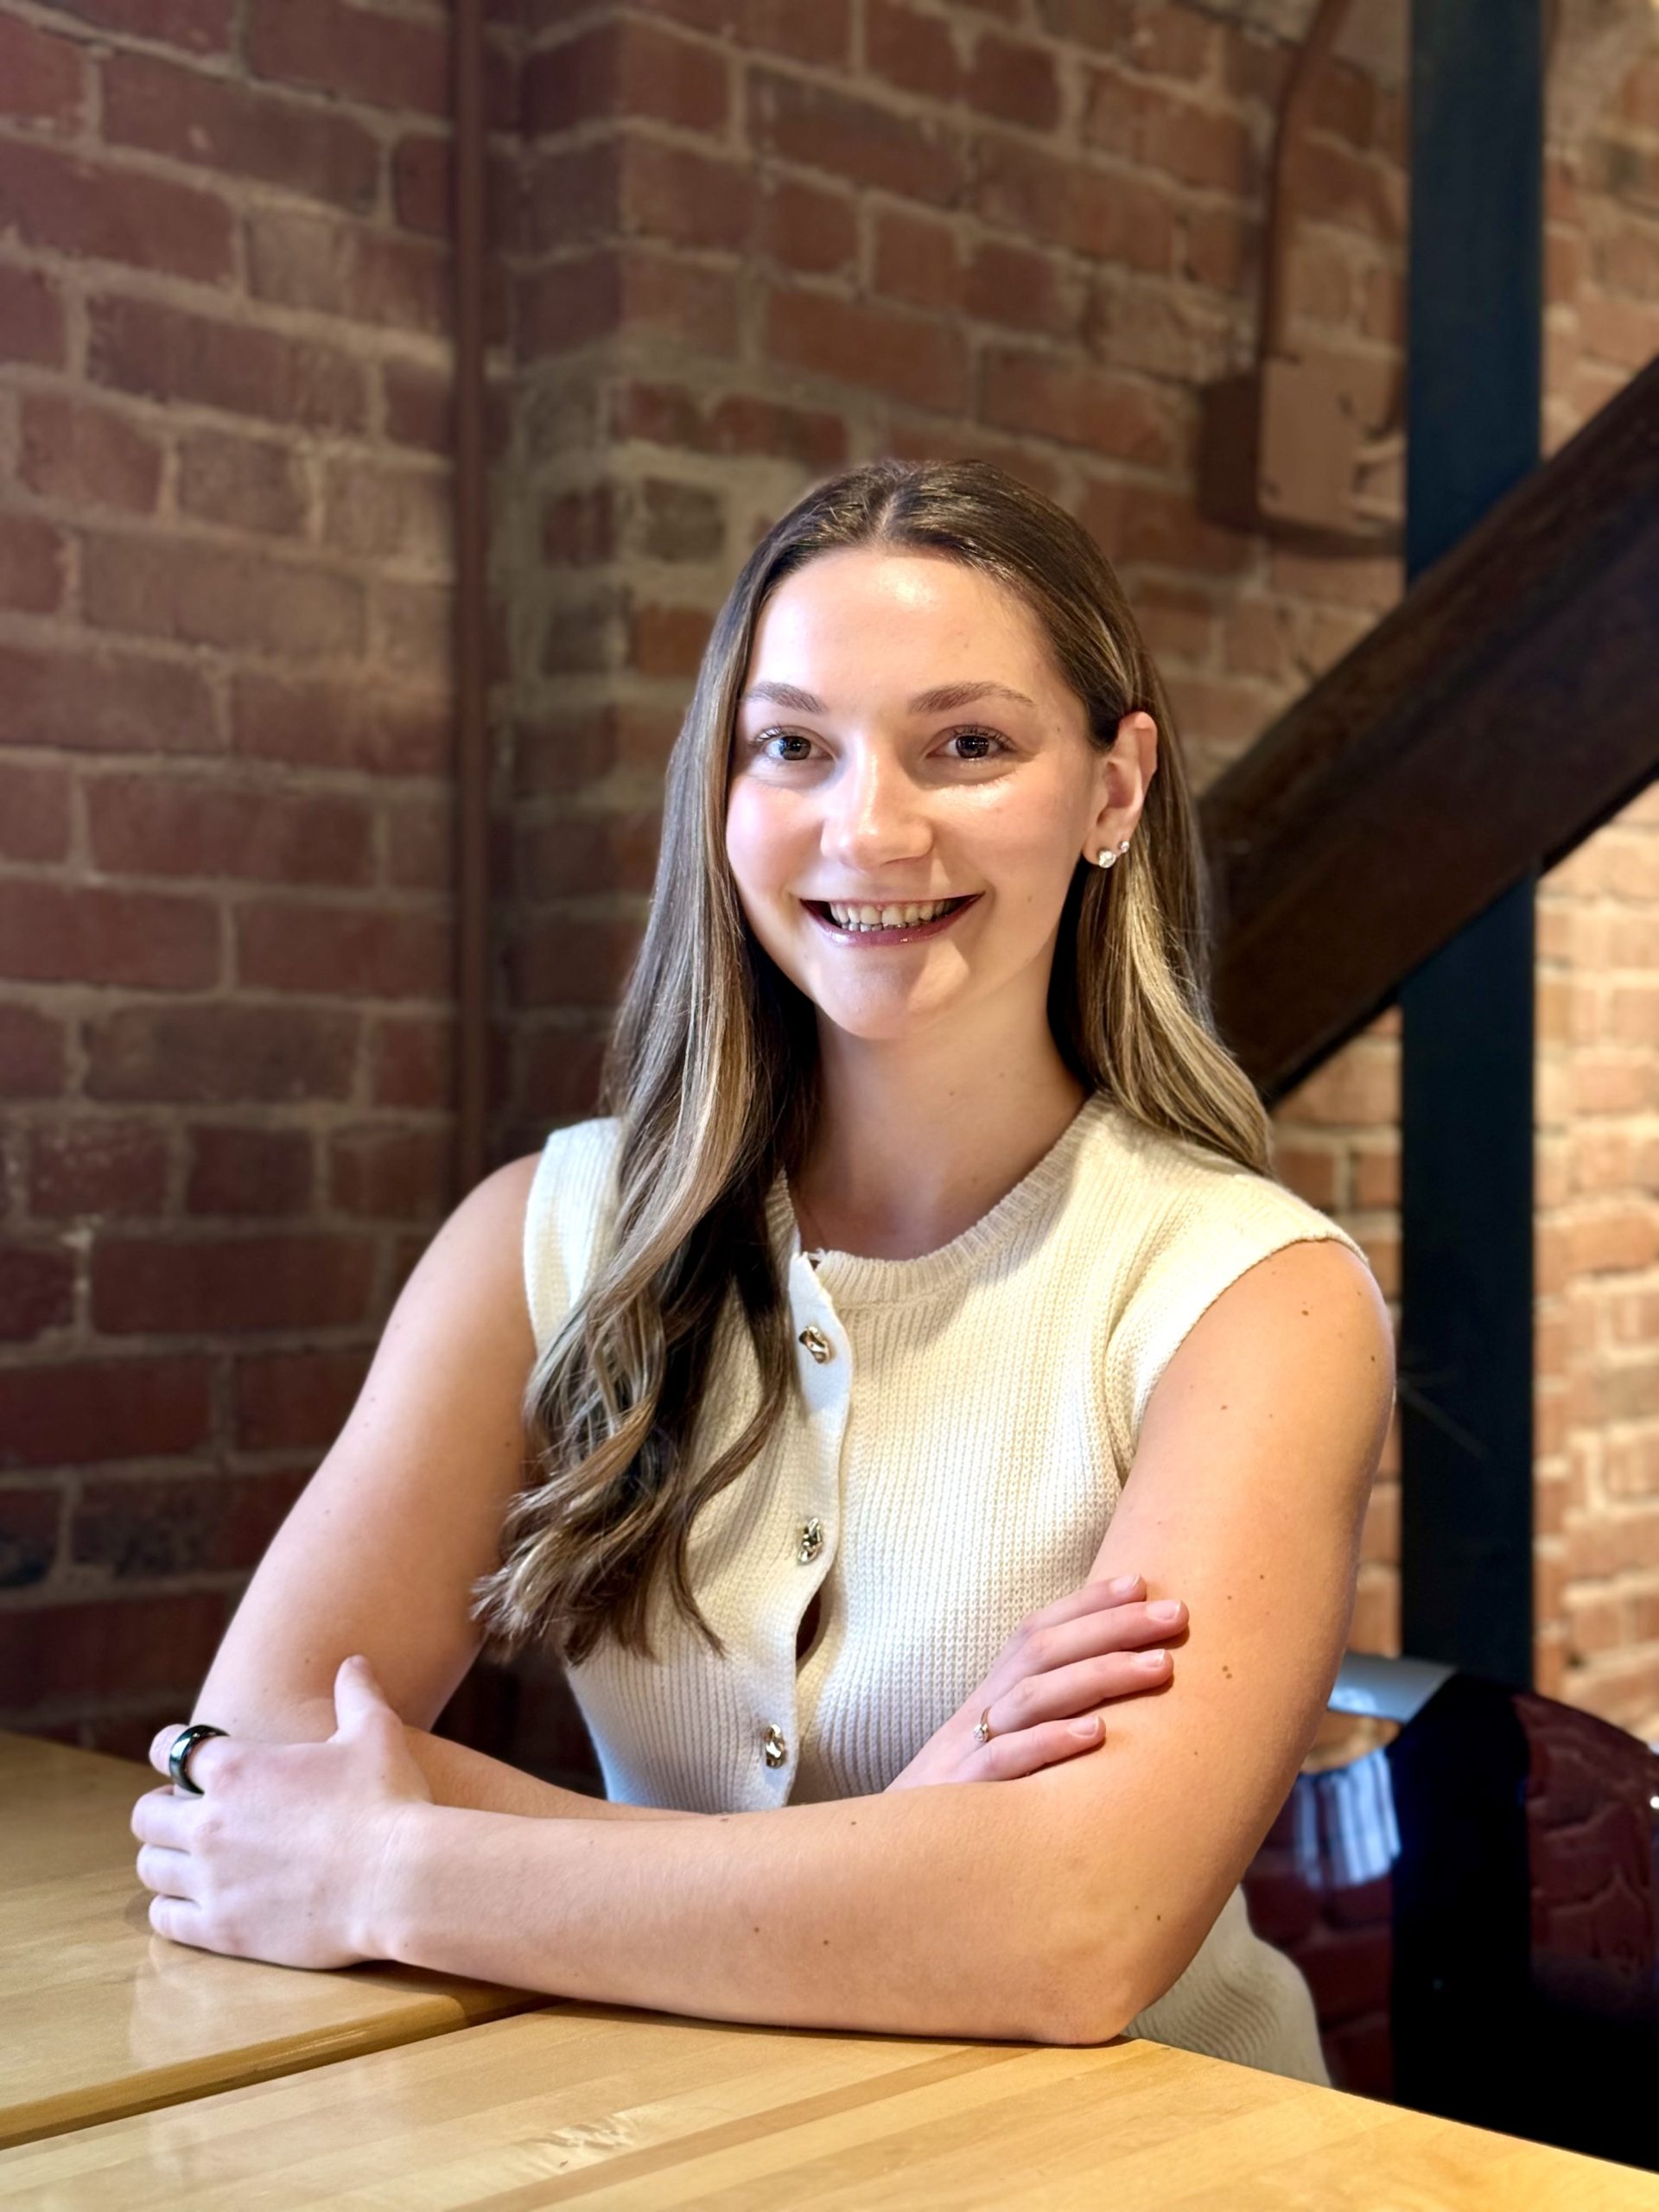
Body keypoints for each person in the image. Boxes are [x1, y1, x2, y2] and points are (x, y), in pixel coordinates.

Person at [134, 460, 1394, 2075]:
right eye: (792, 746)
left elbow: (1074, 1933)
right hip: (685, 2136)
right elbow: (247, 1773)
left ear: (1114, 791)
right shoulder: (543, 1235)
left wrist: (398, 1865)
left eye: (969, 744)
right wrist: (913, 1860)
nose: (870, 826)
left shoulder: (1257, 1299)